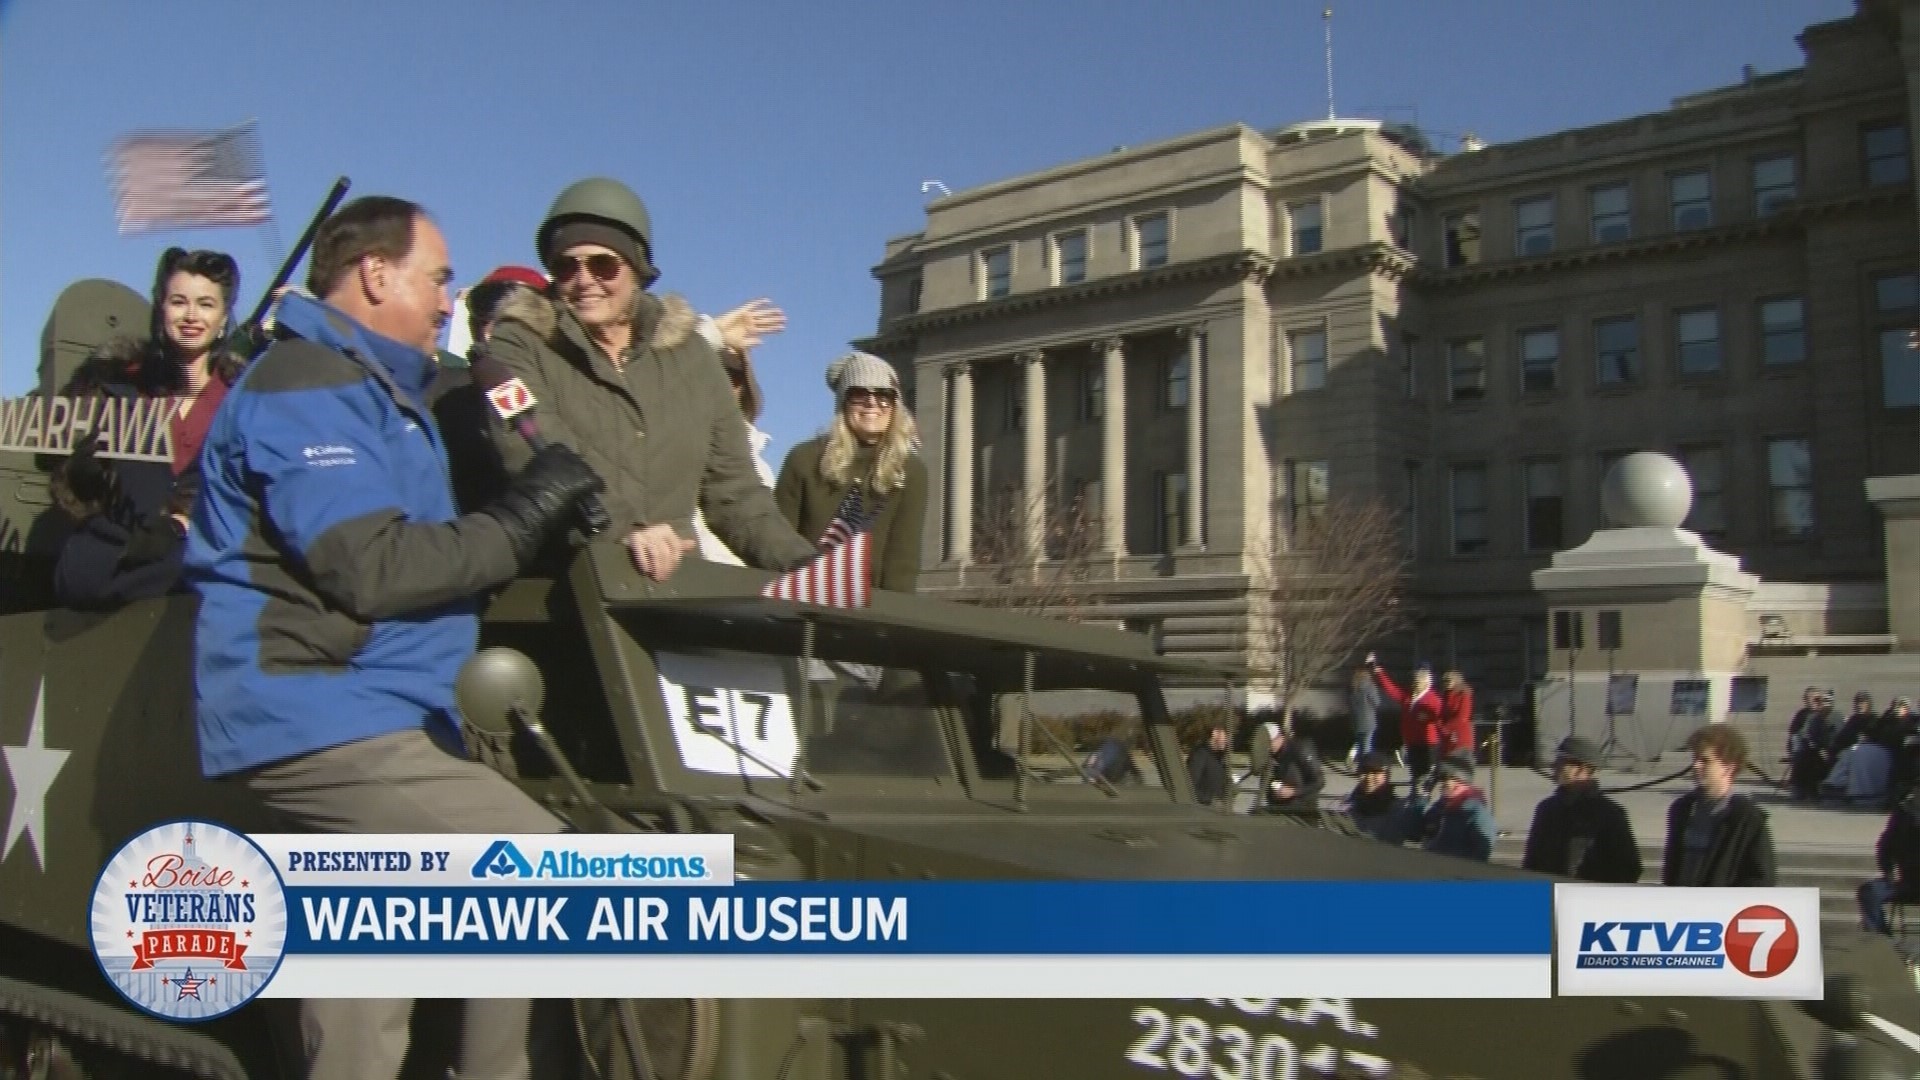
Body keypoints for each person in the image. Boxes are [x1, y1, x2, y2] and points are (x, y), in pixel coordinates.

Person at [182, 195, 607, 1080]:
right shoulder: (310, 380)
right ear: (376, 274)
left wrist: (547, 505)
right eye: (438, 277)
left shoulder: (376, 390)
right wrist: (524, 517)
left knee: (370, 967)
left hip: (366, 706)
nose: (450, 298)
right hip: (324, 712)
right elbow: (370, 566)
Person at [483, 176, 817, 580]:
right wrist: (627, 532)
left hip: (673, 588)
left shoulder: (690, 356)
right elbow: (534, 453)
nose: (584, 280)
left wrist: (805, 567)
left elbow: (736, 492)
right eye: (566, 266)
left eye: (603, 265)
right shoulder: (520, 344)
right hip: (561, 584)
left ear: (638, 267)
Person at [53, 247, 249, 608]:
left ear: (224, 319)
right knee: (81, 574)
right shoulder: (116, 388)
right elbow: (67, 477)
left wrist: (181, 524)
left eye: (206, 304)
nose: (191, 316)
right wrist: (86, 474)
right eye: (179, 302)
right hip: (118, 540)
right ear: (161, 309)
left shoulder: (246, 399)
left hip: (208, 547)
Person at [774, 352, 928, 592]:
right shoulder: (803, 459)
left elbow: (902, 562)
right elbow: (778, 540)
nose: (872, 403)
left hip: (872, 607)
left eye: (884, 395)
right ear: (842, 404)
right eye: (859, 394)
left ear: (895, 405)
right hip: (803, 594)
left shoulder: (912, 471)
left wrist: (890, 623)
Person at [691, 298, 785, 565]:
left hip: (744, 592)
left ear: (745, 387)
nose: (719, 384)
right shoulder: (664, 437)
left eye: (730, 376)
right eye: (710, 370)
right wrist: (707, 336)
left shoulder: (760, 463)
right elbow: (650, 379)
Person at [1662, 724, 1777, 887]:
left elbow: (1761, 877)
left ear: (1728, 767)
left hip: (1721, 907)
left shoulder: (1747, 818)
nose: (1696, 766)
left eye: (1705, 761)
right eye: (1695, 759)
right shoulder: (1682, 809)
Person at [1521, 736, 1642, 882]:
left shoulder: (1609, 813)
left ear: (1581, 769)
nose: (1554, 766)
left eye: (1561, 761)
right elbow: (1532, 860)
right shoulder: (1547, 808)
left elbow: (1628, 867)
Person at [1366, 654, 1443, 786]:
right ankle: (1416, 792)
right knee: (1415, 772)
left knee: (1426, 773)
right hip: (1411, 741)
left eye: (1418, 683)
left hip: (1428, 743)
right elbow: (1391, 689)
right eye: (1413, 682)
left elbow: (1441, 716)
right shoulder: (1408, 698)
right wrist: (1378, 670)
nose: (1414, 685)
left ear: (1426, 683)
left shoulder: (1433, 699)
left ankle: (1424, 794)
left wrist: (1430, 717)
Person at [1409, 755, 1495, 862]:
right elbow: (1412, 833)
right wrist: (1423, 796)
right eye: (1441, 778)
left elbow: (1481, 855)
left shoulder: (1475, 812)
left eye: (1446, 777)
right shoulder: (1439, 808)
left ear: (1460, 779)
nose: (1443, 783)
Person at [1860, 790, 1920, 936]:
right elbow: (1884, 847)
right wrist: (1888, 872)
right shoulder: (1903, 815)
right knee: (1868, 891)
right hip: (1906, 882)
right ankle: (1878, 936)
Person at [1334, 752, 1405, 843]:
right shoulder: (1346, 804)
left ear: (1386, 776)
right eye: (1364, 771)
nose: (1369, 777)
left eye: (1375, 772)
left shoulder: (1397, 808)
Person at [1261, 722, 1325, 815]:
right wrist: (1273, 794)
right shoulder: (1269, 756)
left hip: (1303, 813)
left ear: (1280, 737)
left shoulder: (1300, 749)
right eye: (1264, 744)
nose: (1268, 747)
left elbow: (1319, 782)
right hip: (1278, 811)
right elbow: (1267, 783)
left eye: (1270, 742)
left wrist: (1293, 792)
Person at [1785, 686, 1835, 801]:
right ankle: (1803, 789)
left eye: (1816, 699)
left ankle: (1814, 790)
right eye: (1809, 698)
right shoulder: (1802, 715)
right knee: (1804, 755)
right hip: (1805, 749)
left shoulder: (1826, 714)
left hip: (1822, 748)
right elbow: (1796, 734)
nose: (1813, 701)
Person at [1186, 719, 1231, 806]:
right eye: (1225, 736)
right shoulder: (1200, 754)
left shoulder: (1220, 757)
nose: (1227, 740)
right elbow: (1189, 785)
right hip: (1202, 809)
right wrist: (1210, 799)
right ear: (1215, 733)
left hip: (1217, 810)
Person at [1439, 669, 1476, 763]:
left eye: (1449, 680)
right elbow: (1441, 714)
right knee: (1447, 764)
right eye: (1444, 681)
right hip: (1447, 735)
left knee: (1458, 764)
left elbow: (1462, 717)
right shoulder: (1445, 695)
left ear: (1456, 680)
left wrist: (1445, 728)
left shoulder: (1464, 695)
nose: (1446, 683)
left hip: (1460, 733)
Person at [1347, 665, 1380, 766]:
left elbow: (1349, 703)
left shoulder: (1352, 687)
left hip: (1356, 720)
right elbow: (1377, 702)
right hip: (1368, 720)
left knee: (1360, 744)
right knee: (1367, 746)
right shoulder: (1370, 687)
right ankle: (1366, 766)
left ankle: (1359, 762)